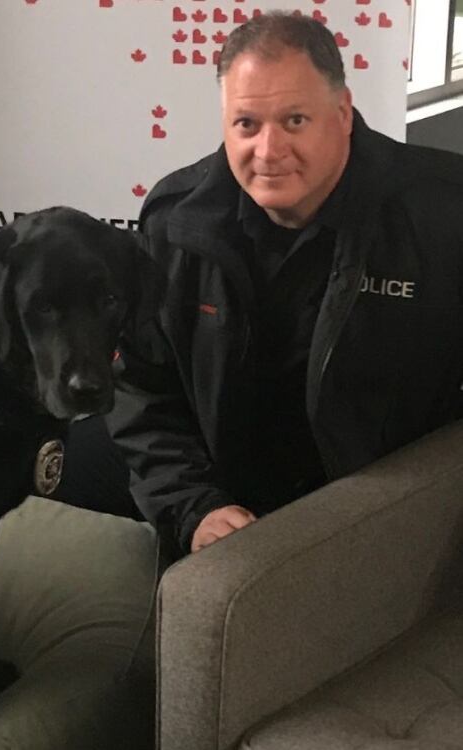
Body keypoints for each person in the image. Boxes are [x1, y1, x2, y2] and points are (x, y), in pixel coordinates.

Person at [106, 11, 463, 559]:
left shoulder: (443, 214)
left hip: (386, 528)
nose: (268, 151)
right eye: (246, 124)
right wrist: (193, 506)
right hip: (225, 523)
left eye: (295, 120)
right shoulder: (176, 223)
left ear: (342, 113)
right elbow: (143, 390)